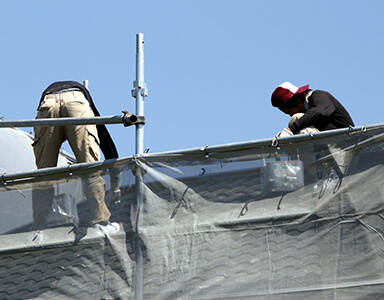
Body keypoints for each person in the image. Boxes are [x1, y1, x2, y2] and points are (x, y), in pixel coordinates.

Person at [32, 80, 120, 231]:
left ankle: (39, 226)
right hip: (76, 100)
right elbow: (108, 146)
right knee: (89, 166)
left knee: (44, 172)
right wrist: (116, 188)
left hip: (48, 103)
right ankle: (101, 221)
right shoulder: (88, 105)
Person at [271, 82, 354, 135]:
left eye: (289, 112)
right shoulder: (310, 115)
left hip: (345, 149)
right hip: (328, 153)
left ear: (298, 101)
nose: (291, 115)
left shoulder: (320, 96)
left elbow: (319, 112)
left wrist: (290, 129)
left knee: (297, 118)